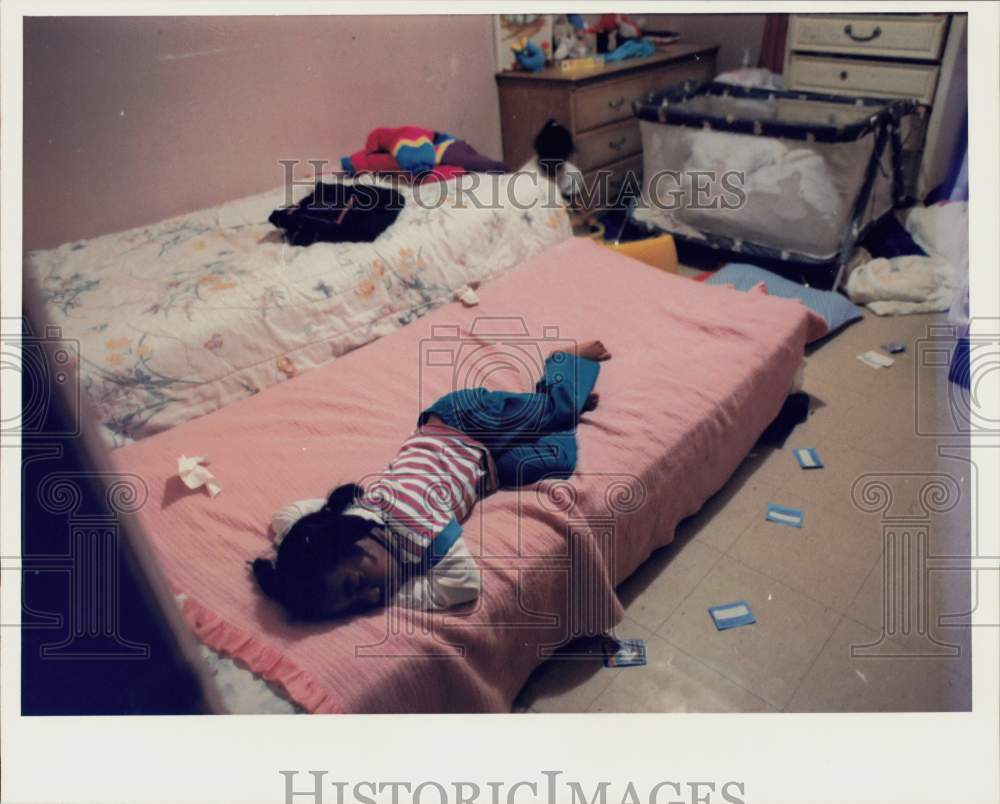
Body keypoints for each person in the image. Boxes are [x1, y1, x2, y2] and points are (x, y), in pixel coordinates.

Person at [251, 340, 611, 621]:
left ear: (353, 541)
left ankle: (564, 363)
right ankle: (565, 399)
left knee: (551, 413)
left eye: (356, 585)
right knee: (559, 459)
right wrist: (305, 551)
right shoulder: (353, 520)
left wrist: (396, 596)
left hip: (462, 421)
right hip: (485, 466)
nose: (373, 597)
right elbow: (289, 519)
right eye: (356, 607)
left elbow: (465, 585)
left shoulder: (418, 526)